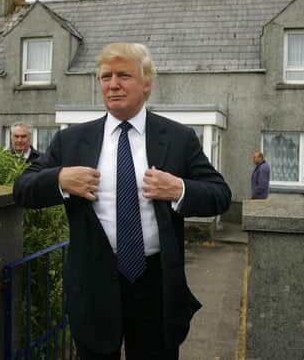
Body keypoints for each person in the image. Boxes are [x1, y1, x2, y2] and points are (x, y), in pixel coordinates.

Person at [13, 43, 231, 360]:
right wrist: (59, 179)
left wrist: (179, 188)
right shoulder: (72, 140)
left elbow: (220, 194)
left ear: (146, 83)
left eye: (124, 75)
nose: (113, 84)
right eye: (105, 76)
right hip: (94, 285)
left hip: (156, 287)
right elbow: (23, 188)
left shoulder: (178, 138)